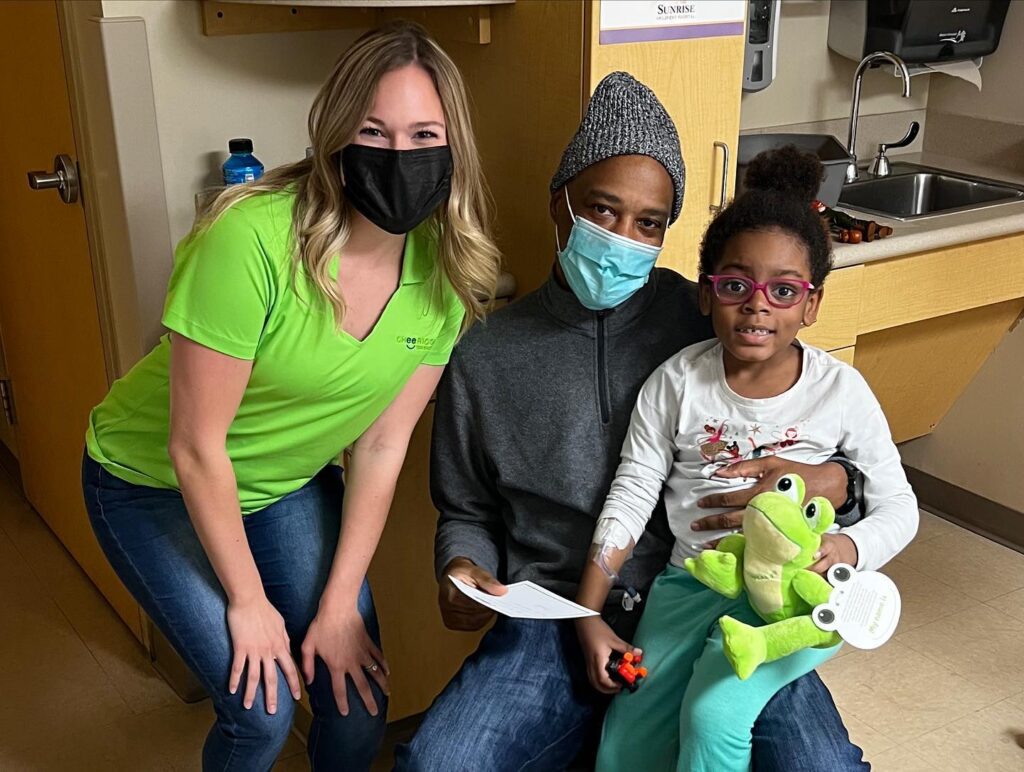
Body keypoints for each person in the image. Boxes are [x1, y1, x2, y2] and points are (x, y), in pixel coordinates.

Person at [396, 72, 868, 771]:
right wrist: (462, 567)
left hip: (714, 600)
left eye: (648, 222)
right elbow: (465, 507)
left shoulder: (710, 319)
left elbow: (815, 417)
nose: (623, 236)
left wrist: (838, 480)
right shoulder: (488, 356)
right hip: (553, 617)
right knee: (439, 764)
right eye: (602, 210)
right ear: (561, 203)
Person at [81, 22, 499, 772]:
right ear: (336, 134)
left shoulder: (446, 272)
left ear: (453, 146)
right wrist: (249, 604)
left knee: (355, 698)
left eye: (423, 133)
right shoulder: (249, 241)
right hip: (152, 483)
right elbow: (195, 447)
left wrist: (340, 602)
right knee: (261, 710)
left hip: (280, 486)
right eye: (373, 130)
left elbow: (380, 442)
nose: (398, 155)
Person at [580, 146, 919, 772]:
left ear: (811, 305)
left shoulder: (840, 391)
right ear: (707, 294)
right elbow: (632, 491)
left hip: (792, 599)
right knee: (628, 743)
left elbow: (900, 505)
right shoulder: (676, 383)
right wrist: (590, 607)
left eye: (783, 290)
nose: (758, 304)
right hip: (691, 583)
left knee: (714, 718)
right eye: (736, 285)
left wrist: (844, 550)